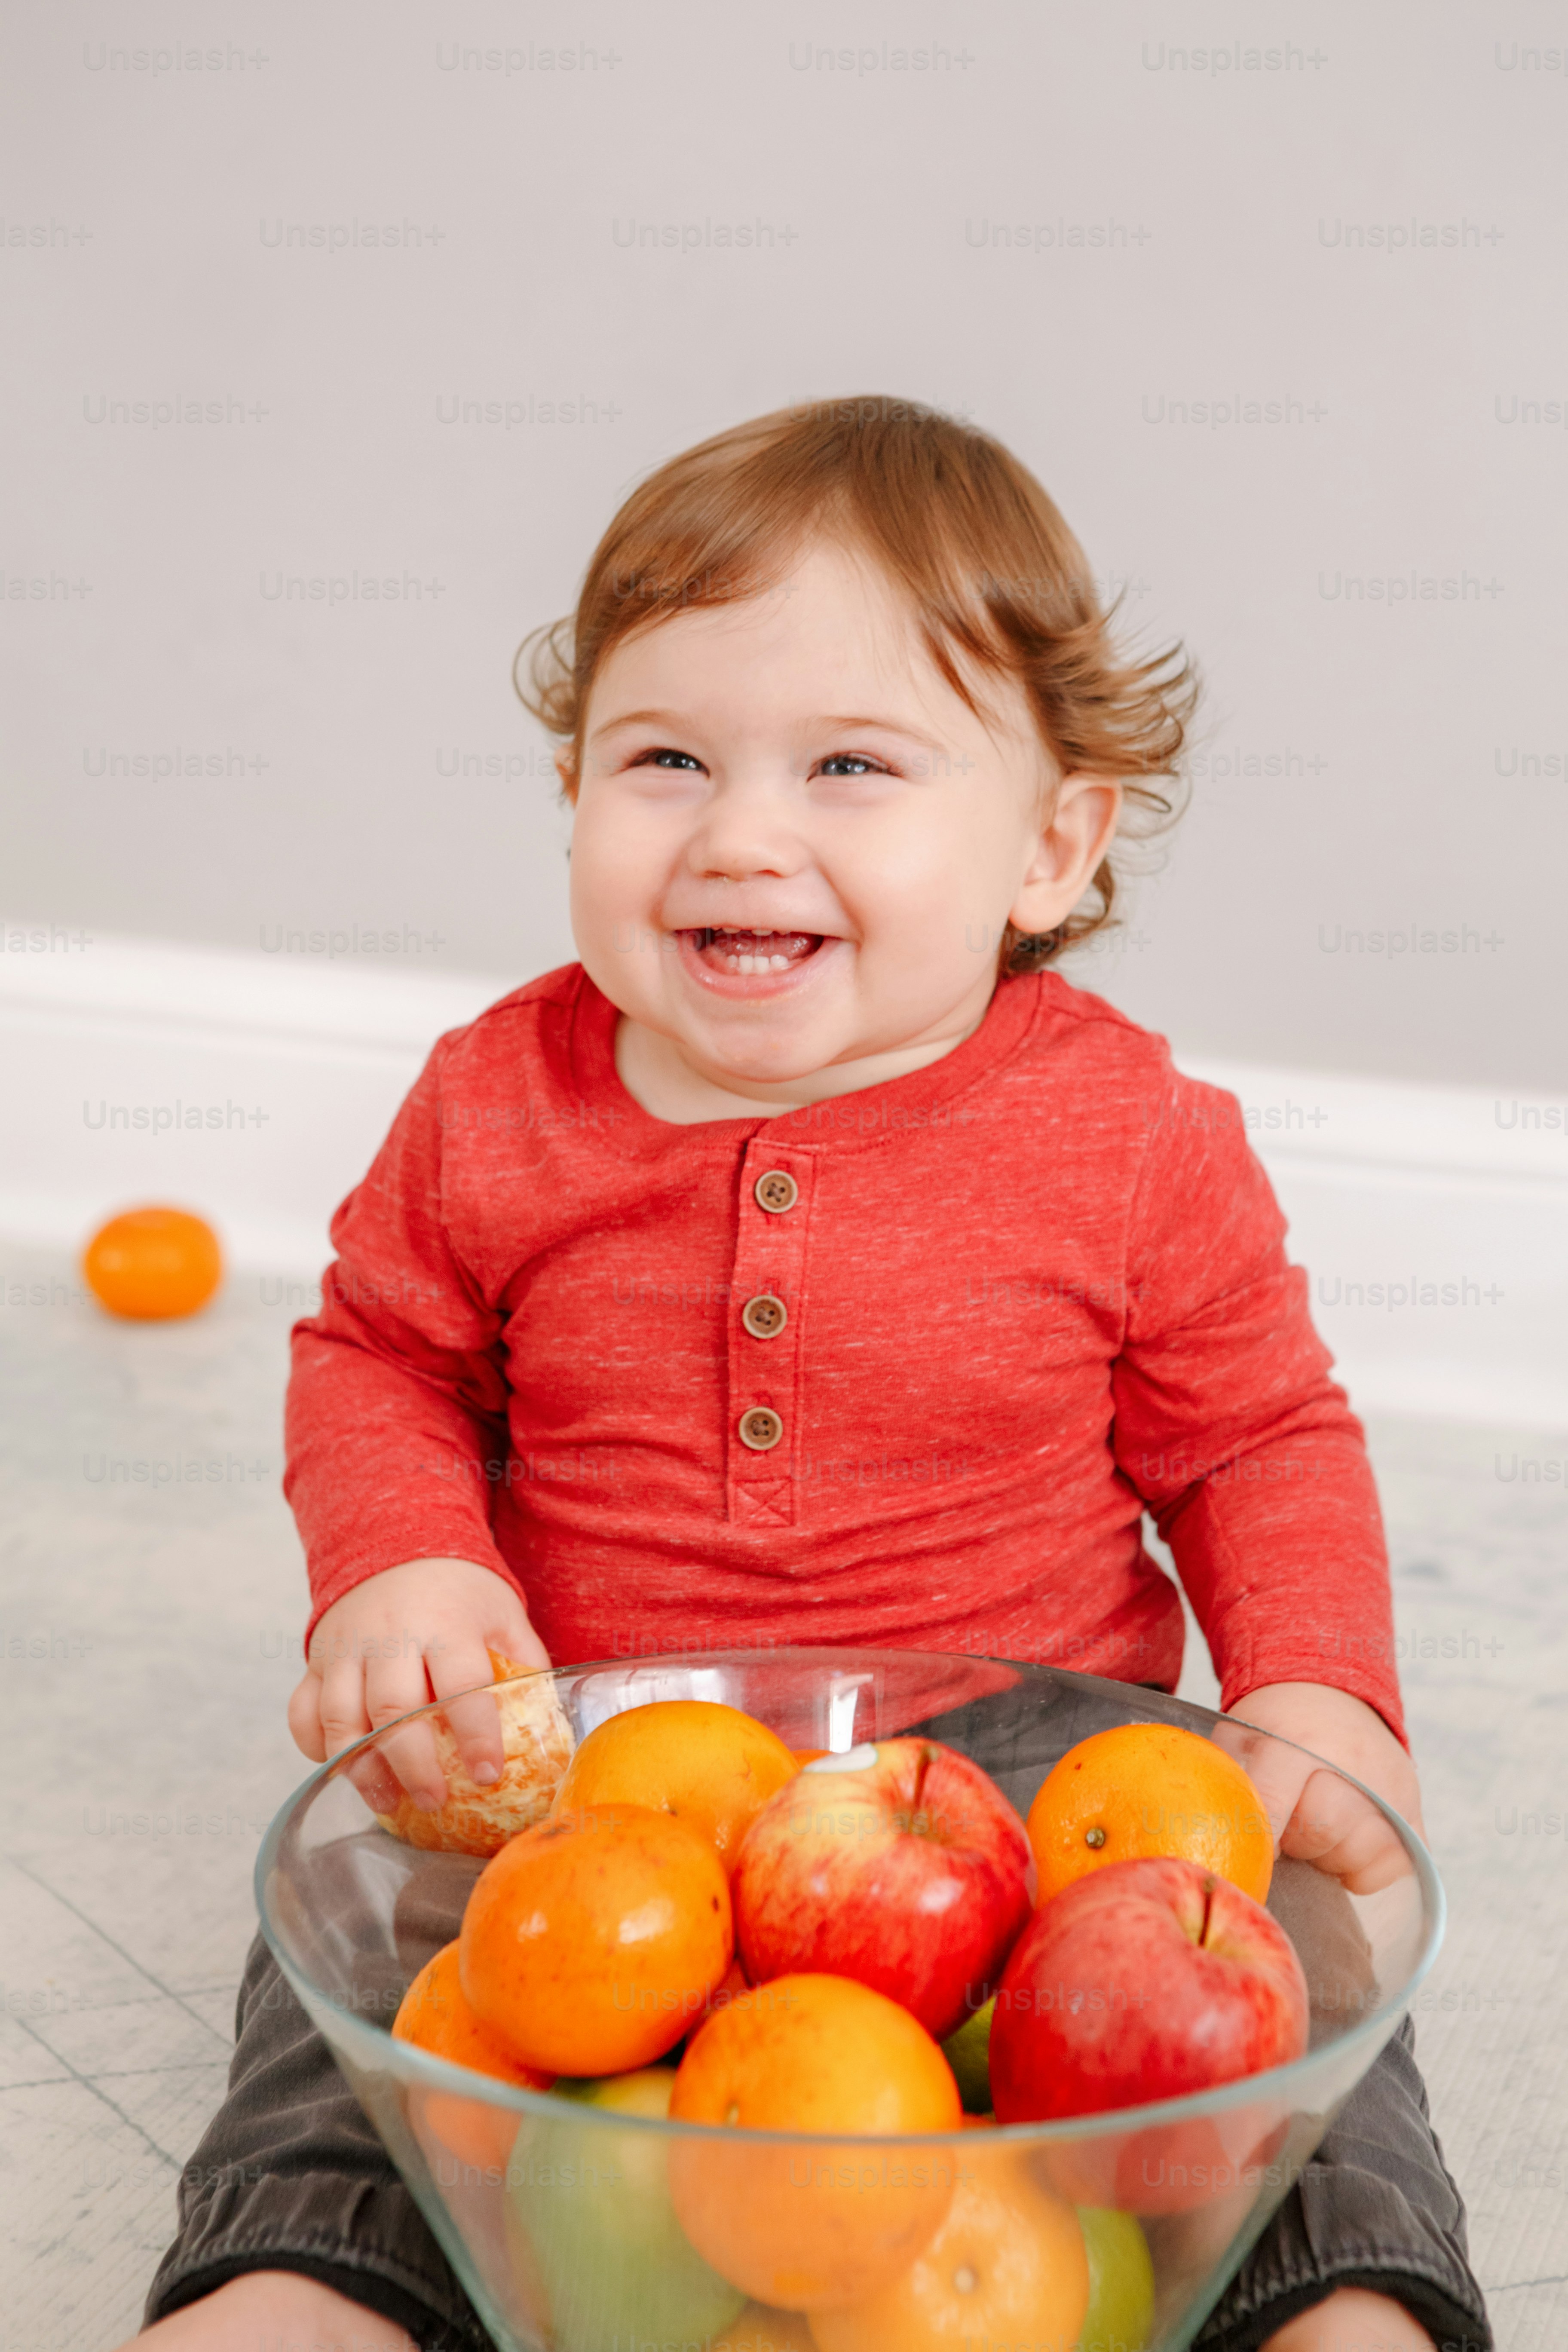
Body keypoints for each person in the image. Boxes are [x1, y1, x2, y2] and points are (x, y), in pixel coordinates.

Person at [122, 401, 1488, 2352]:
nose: (741, 832)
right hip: (580, 1797)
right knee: (386, 2025)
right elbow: (381, 1357)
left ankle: (1335, 2303)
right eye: (662, 758)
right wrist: (403, 1561)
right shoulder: (495, 1102)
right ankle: (301, 2283)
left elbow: (1263, 1437)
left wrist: (1317, 1682)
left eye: (852, 765)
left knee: (1285, 2016)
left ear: (1051, 844)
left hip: (1034, 1784)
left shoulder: (1131, 1138)